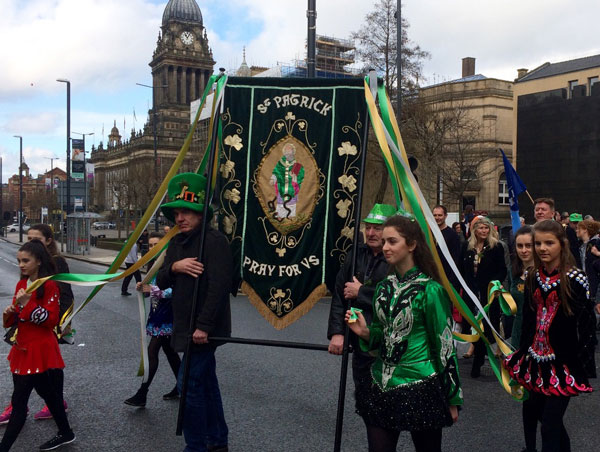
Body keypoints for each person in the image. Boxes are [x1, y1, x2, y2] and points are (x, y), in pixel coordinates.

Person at [345, 213, 462, 452]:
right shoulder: (383, 287)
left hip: (421, 386)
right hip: (381, 383)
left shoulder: (431, 290)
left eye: (392, 241)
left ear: (412, 245)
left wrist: (452, 398)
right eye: (384, 241)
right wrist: (366, 333)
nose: (385, 247)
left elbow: (445, 346)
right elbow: (383, 334)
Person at [504, 220, 596, 452]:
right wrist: (522, 353)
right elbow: (528, 320)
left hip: (563, 363)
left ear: (562, 245)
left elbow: (585, 326)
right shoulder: (533, 275)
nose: (542, 248)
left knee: (550, 425)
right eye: (538, 243)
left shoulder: (575, 278)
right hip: (536, 359)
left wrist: (583, 366)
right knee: (546, 420)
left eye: (549, 243)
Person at [156, 172, 232, 452]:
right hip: (183, 324)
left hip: (204, 329)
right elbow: (162, 279)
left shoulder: (214, 242)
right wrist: (175, 267)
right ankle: (218, 439)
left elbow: (219, 288)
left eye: (186, 212)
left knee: (187, 384)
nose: (180, 218)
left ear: (201, 213)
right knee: (206, 384)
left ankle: (196, 446)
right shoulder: (177, 242)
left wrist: (204, 326)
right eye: (176, 212)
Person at [0, 240, 75, 451]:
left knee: (19, 402)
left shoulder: (50, 285)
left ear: (39, 261)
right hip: (23, 347)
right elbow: (17, 320)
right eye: (18, 261)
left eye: (26, 261)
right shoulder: (21, 285)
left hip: (39, 349)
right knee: (49, 394)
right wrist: (8, 315)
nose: (21, 265)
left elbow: (50, 320)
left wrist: (26, 303)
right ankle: (66, 432)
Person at [327, 204, 395, 400]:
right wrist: (338, 332)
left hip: (385, 338)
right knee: (363, 395)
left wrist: (362, 292)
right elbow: (340, 294)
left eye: (377, 228)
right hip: (359, 340)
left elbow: (398, 296)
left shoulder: (395, 258)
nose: (371, 233)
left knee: (385, 397)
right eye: (368, 227)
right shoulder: (356, 254)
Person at [125, 232, 181, 407]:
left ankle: (142, 393)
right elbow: (153, 290)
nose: (152, 249)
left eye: (156, 245)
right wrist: (144, 288)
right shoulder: (153, 266)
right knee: (170, 353)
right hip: (158, 315)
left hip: (168, 316)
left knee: (152, 352)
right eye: (150, 246)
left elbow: (176, 290)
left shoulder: (172, 265)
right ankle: (182, 387)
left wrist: (154, 290)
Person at [459, 216, 507, 376]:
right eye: (481, 228)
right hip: (471, 293)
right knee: (473, 326)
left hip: (488, 294)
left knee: (485, 328)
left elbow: (502, 270)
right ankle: (479, 355)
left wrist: (496, 284)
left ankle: (478, 359)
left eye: (486, 228)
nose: (484, 231)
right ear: (475, 230)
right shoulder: (466, 246)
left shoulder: (496, 247)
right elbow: (460, 269)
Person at [507, 226, 534, 348]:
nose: (524, 250)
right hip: (518, 329)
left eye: (528, 246)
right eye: (520, 246)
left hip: (538, 331)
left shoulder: (545, 273)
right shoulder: (513, 270)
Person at [269, 142, 305, 220]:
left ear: (293, 152)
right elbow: (276, 172)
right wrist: (273, 179)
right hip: (281, 187)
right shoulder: (280, 163)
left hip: (291, 187)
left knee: (291, 203)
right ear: (284, 152)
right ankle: (280, 215)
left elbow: (300, 177)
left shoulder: (297, 166)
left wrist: (294, 178)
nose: (288, 152)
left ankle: (290, 215)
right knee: (280, 202)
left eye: (290, 151)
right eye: (286, 151)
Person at [432, 205, 461, 291]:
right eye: (435, 215)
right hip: (431, 275)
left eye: (440, 215)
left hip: (447, 276)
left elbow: (456, 257)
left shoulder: (452, 234)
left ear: (445, 216)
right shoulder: (429, 233)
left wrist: (452, 280)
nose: (437, 218)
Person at [577, 219, 600, 300]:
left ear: (585, 230)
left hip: (595, 286)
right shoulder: (579, 245)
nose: (576, 231)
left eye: (578, 228)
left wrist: (598, 254)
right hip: (583, 285)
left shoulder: (596, 243)